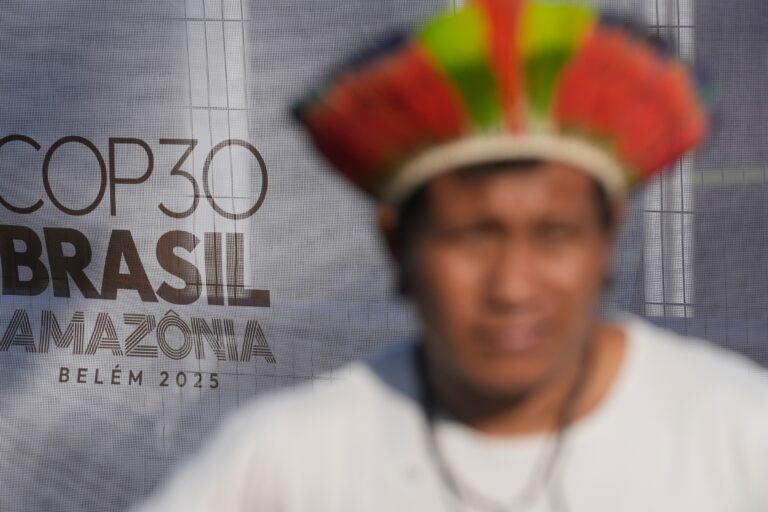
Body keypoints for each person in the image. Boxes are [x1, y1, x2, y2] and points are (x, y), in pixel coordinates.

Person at [133, 0, 768, 511]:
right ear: (396, 244)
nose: (514, 287)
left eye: (555, 235)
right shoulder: (288, 461)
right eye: (472, 235)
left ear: (608, 237)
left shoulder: (738, 436)